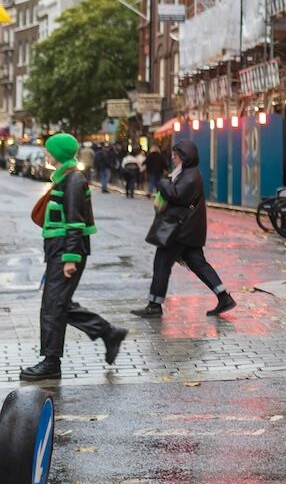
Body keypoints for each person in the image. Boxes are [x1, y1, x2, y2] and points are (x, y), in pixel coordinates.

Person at [21, 134, 126, 381]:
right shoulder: (64, 178)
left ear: (59, 154)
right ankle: (108, 333)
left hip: (66, 251)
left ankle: (51, 362)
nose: (46, 155)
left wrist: (70, 258)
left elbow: (75, 222)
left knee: (53, 306)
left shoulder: (73, 181)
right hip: (58, 250)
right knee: (58, 304)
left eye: (49, 151)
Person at [131, 141, 235, 318]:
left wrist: (163, 183)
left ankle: (154, 305)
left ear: (184, 156)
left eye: (175, 154)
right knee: (198, 264)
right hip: (187, 228)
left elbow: (177, 195)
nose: (173, 157)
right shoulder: (186, 173)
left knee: (162, 263)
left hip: (179, 230)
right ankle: (223, 296)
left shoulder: (190, 175)